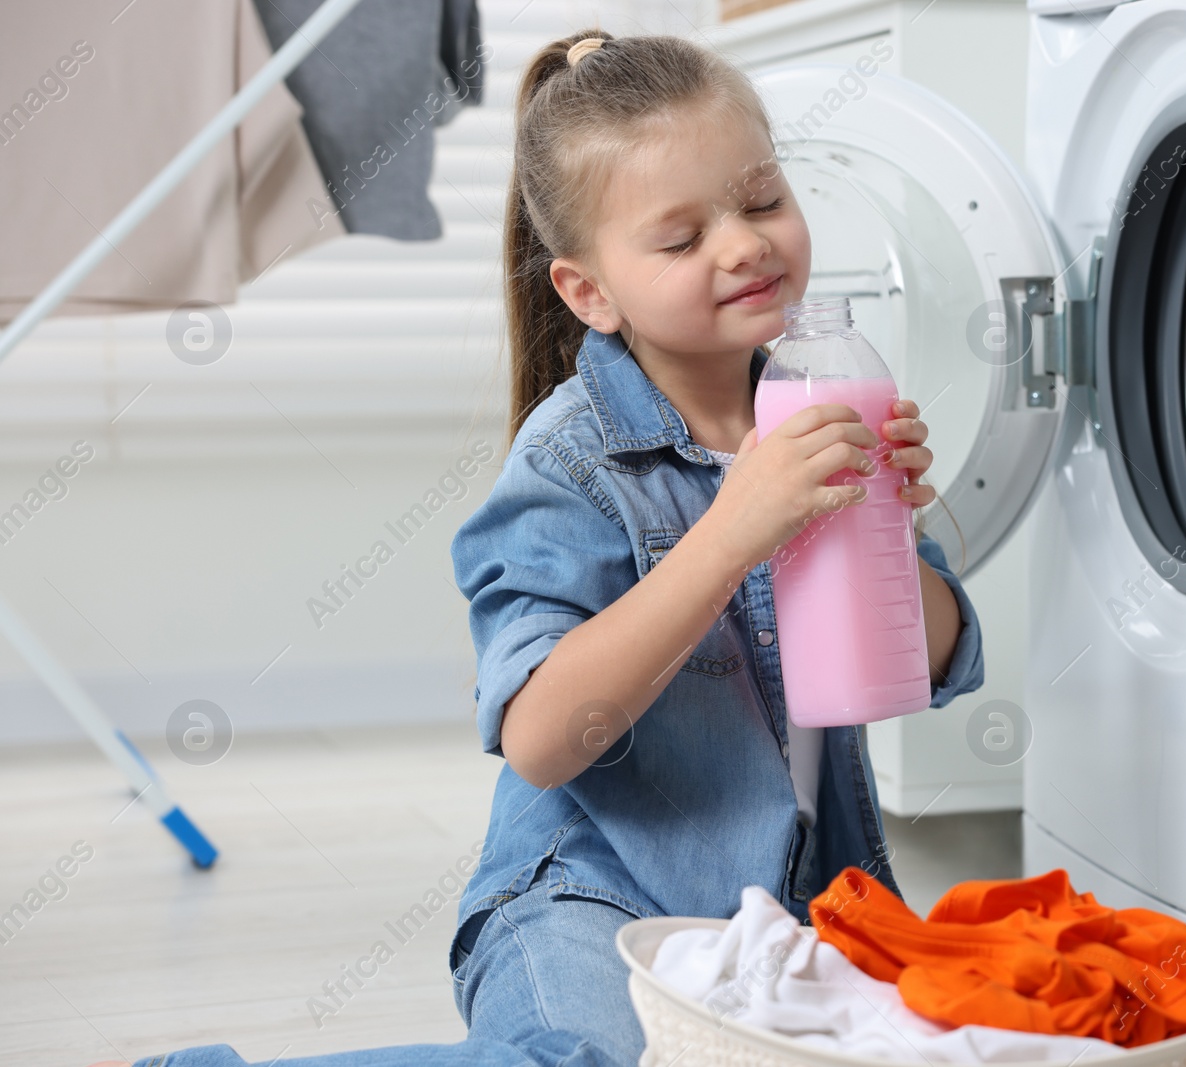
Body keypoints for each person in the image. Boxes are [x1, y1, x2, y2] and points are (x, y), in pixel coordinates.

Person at [104, 27, 983, 1067]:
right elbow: (542, 737)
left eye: (760, 202)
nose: (743, 245)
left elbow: (924, 667)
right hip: (589, 901)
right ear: (588, 291)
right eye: (679, 236)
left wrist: (886, 529)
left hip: (797, 902)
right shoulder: (571, 462)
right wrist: (733, 528)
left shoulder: (811, 409)